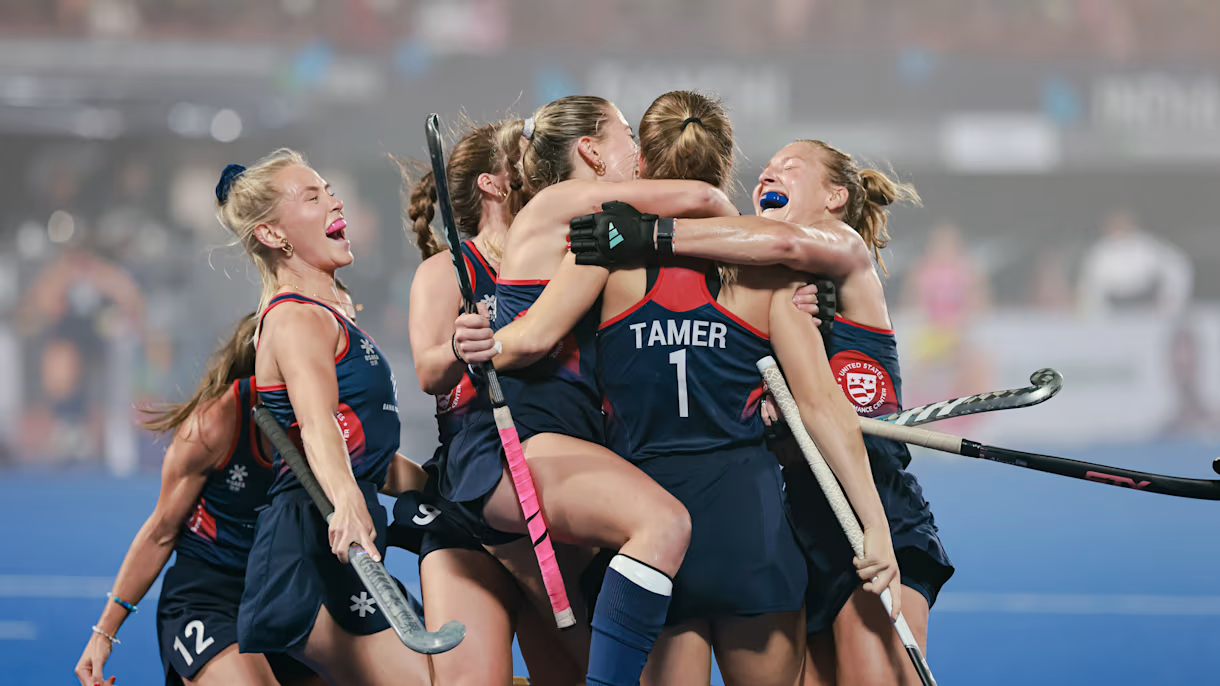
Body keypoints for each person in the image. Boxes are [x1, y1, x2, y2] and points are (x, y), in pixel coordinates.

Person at [458, 91, 903, 686]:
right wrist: (875, 525)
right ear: (724, 164)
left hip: (653, 531)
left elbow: (531, 337)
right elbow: (823, 407)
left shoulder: (601, 253)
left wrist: (486, 343)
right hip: (754, 531)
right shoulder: (771, 270)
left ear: (646, 164)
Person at [563, 138, 952, 685]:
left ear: (836, 196)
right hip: (804, 518)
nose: (768, 176)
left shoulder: (841, 245)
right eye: (764, 171)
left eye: (788, 169)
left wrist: (650, 235)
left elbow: (785, 241)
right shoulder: (767, 277)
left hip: (872, 502)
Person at [440, 94, 743, 686]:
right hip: (521, 445)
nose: (639, 151)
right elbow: (705, 198)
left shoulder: (599, 232)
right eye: (627, 135)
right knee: (664, 524)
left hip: (571, 443)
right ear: (591, 151)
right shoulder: (566, 203)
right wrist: (737, 239)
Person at [215, 150, 429, 686]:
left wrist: (440, 489)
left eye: (329, 190)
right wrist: (349, 504)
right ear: (274, 235)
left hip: (336, 533)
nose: (335, 201)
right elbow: (317, 427)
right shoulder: (293, 318)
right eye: (312, 197)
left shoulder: (331, 315)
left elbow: (365, 455)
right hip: (308, 549)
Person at [392, 122, 585, 685]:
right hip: (472, 497)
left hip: (550, 487)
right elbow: (430, 370)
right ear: (496, 185)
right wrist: (459, 344)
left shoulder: (564, 261)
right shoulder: (447, 271)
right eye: (528, 162)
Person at [74, 314, 321, 686]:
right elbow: (160, 532)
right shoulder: (215, 424)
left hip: (283, 595)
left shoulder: (327, 423)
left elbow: (381, 474)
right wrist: (103, 633)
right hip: (208, 599)